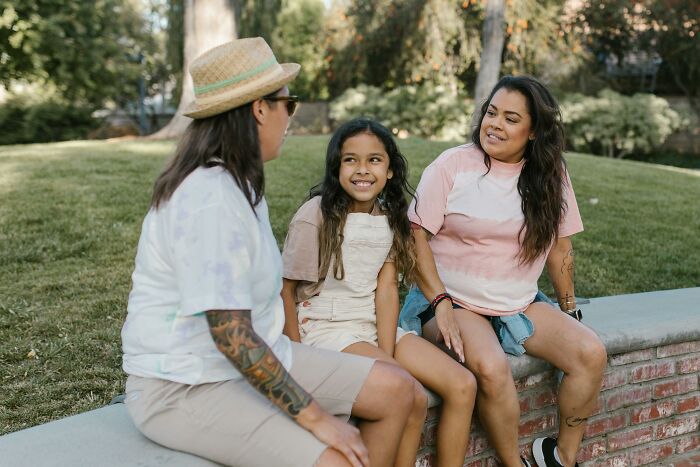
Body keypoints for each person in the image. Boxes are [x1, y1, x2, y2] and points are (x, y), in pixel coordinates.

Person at [121, 38, 419, 467]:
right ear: (260, 108)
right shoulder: (208, 197)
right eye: (288, 103)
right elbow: (230, 334)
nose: (290, 117)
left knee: (398, 389)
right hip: (186, 383)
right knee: (338, 459)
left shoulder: (240, 184)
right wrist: (316, 417)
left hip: (258, 357)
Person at [399, 76, 607, 467]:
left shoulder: (551, 175)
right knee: (492, 367)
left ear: (533, 132)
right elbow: (415, 239)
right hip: (450, 301)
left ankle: (561, 457)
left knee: (590, 353)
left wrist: (569, 309)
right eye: (491, 113)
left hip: (518, 303)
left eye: (511, 118)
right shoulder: (452, 165)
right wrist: (440, 301)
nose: (494, 124)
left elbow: (561, 250)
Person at [280, 118, 477, 467]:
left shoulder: (389, 217)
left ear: (389, 170)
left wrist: (386, 354)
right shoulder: (316, 215)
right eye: (350, 159)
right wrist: (296, 362)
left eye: (374, 160)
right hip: (328, 328)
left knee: (462, 384)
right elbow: (285, 290)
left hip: (372, 326)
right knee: (412, 395)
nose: (362, 170)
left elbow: (386, 290)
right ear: (336, 167)